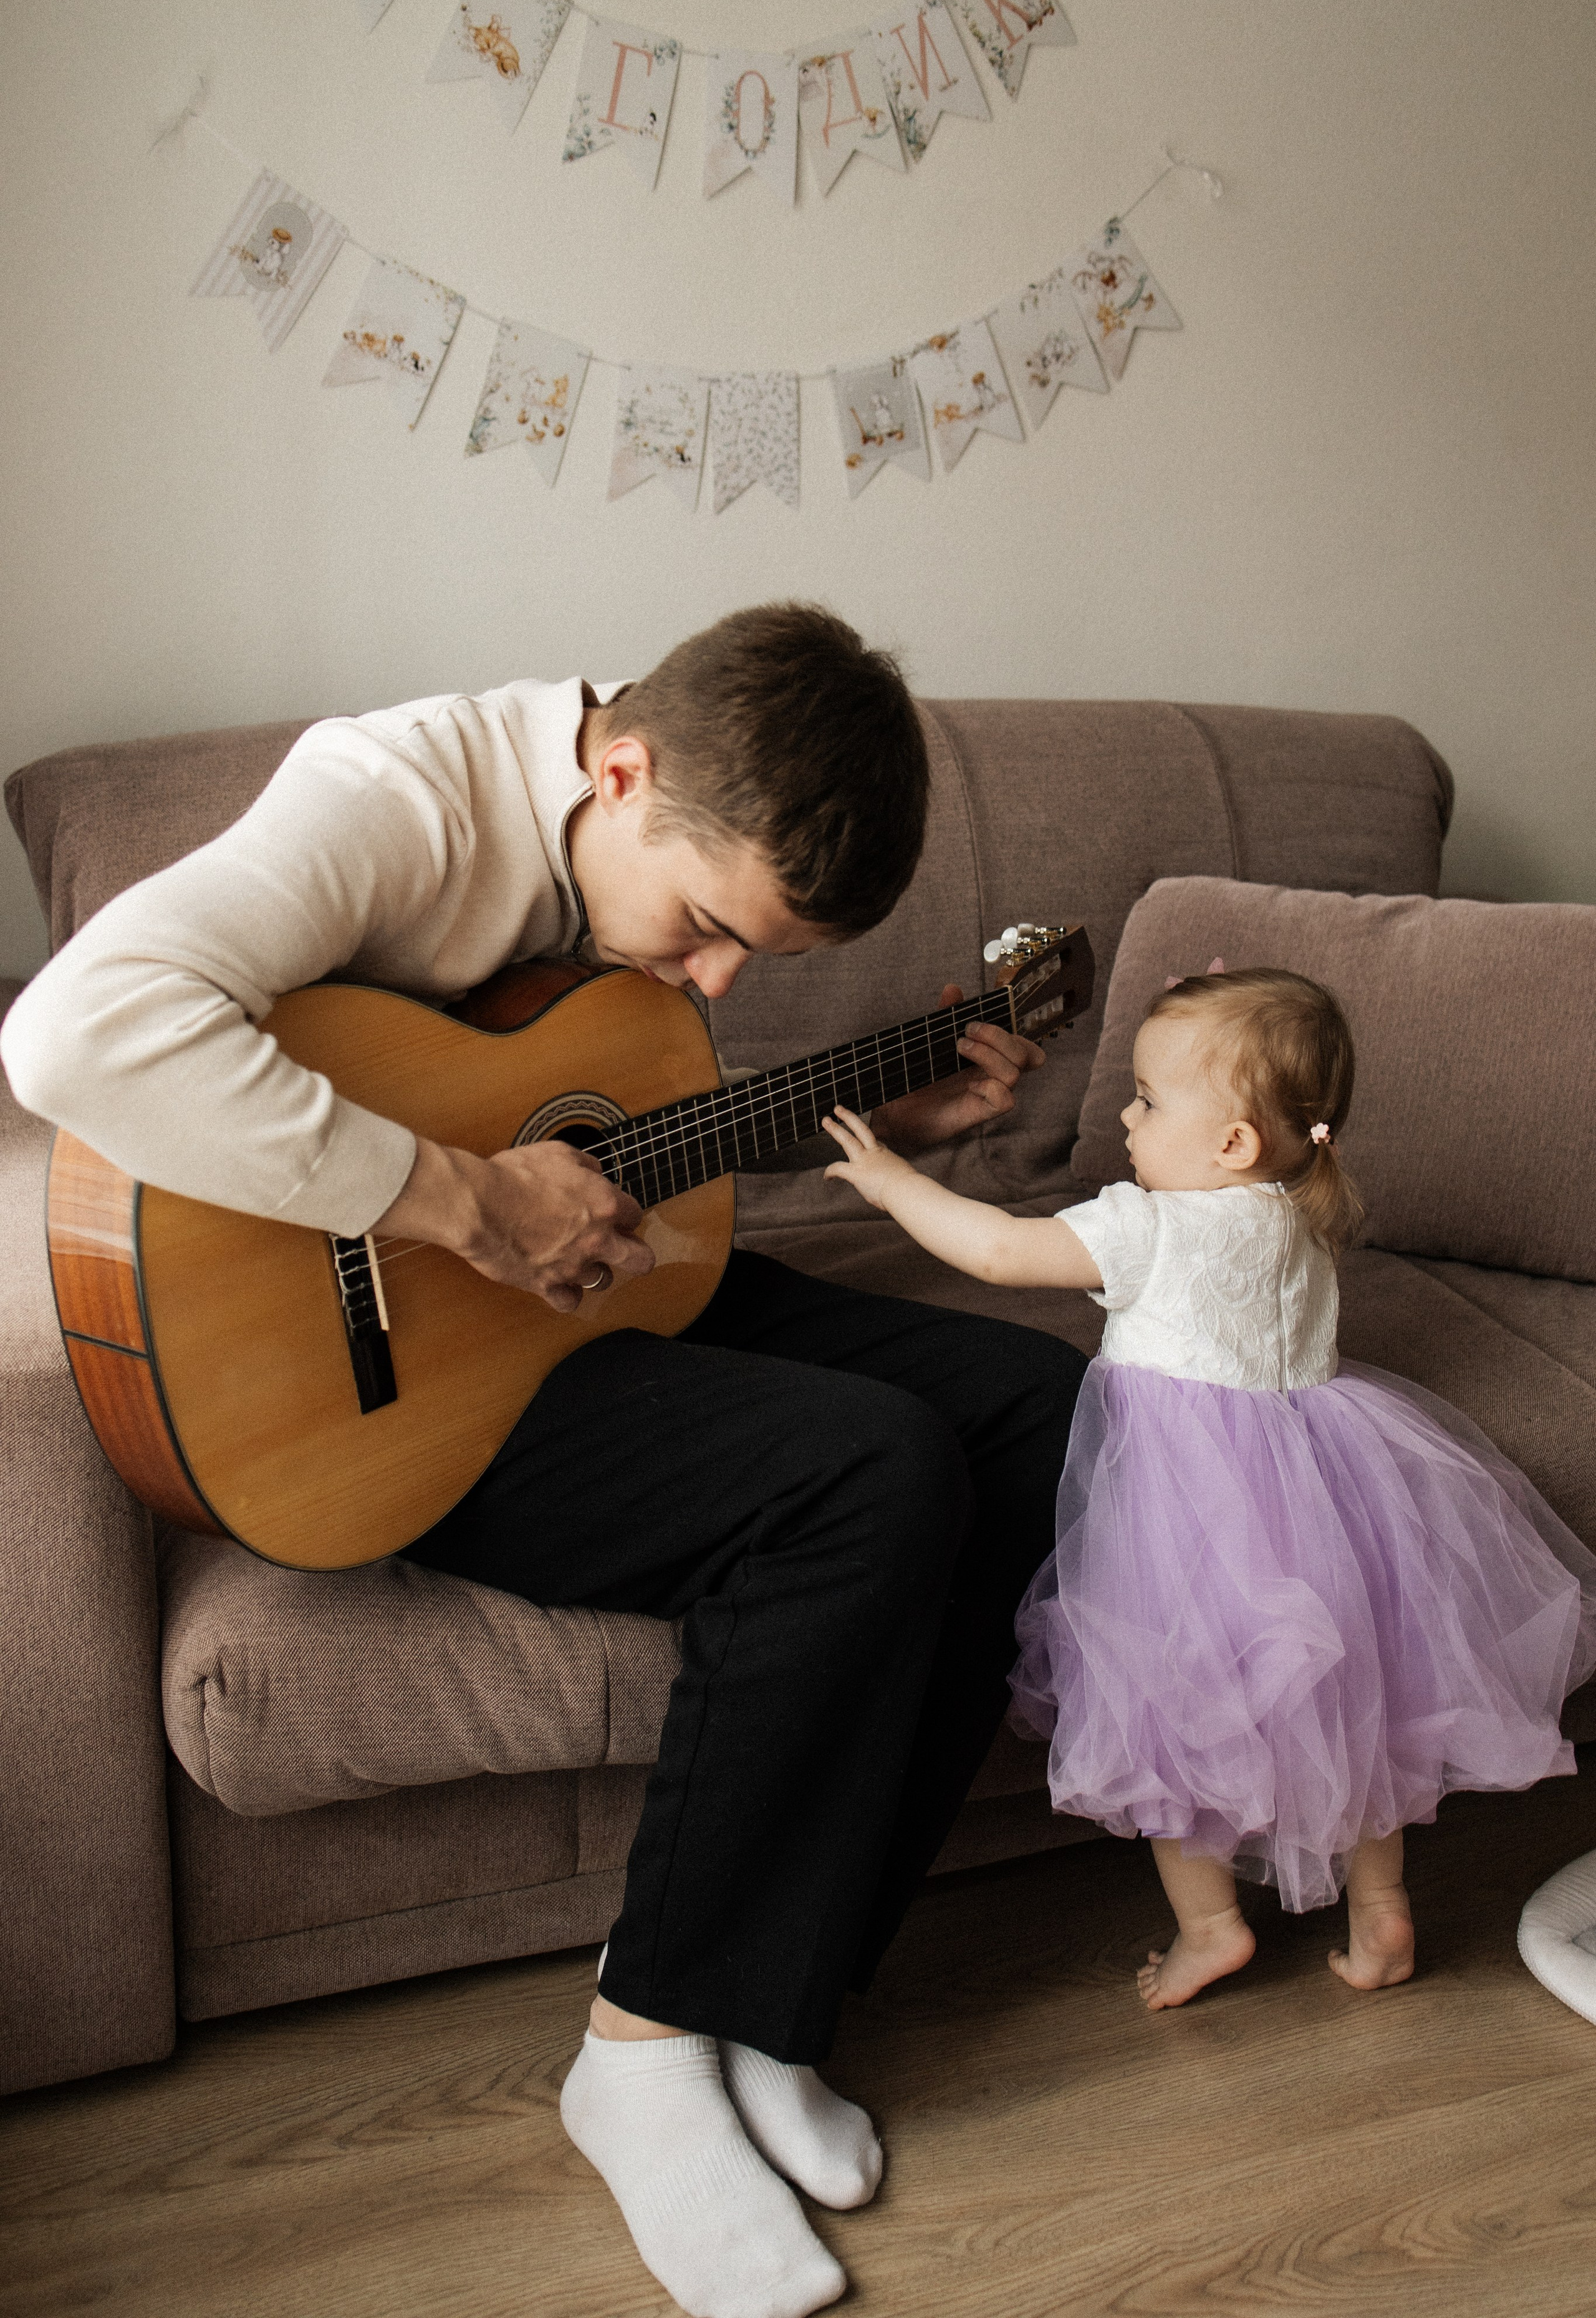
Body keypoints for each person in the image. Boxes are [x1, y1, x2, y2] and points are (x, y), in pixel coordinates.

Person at [1, 604, 1084, 2318]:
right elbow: (70, 1034)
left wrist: (878, 1132)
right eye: (714, 930)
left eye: (757, 966)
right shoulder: (394, 800)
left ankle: (770, 2002)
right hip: (360, 1393)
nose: (717, 983)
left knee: (1039, 1414)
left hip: (577, 1317)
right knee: (867, 1470)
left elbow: (613, 1142)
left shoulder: (641, 885)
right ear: (622, 767)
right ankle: (641, 2051)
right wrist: (459, 1197)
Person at [823, 964, 1596, 2013]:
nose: (1128, 1121)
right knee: (1357, 1708)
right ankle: (1380, 1915)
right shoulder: (1299, 1214)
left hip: (1188, 1518)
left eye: (1146, 1100)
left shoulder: (1150, 1225)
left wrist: (892, 1182)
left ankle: (1212, 1928)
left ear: (1231, 1143)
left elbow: (1002, 1252)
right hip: (1333, 1494)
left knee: (1168, 1717)